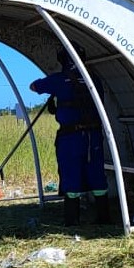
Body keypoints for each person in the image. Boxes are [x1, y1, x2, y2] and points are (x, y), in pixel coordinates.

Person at [30, 48, 110, 226]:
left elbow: (34, 86)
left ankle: (72, 221)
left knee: (71, 174)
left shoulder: (59, 80)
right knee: (96, 173)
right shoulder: (94, 80)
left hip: (71, 137)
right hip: (94, 136)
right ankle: (104, 218)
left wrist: (56, 86)